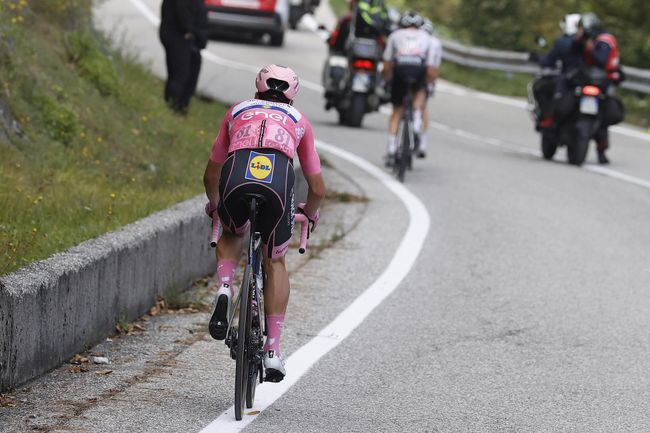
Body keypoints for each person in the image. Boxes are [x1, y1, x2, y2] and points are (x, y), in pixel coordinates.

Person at [203, 65, 325, 382]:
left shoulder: (238, 110)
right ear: (292, 95)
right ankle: (272, 351)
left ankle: (226, 287)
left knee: (232, 229)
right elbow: (318, 188)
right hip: (277, 180)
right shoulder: (299, 122)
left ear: (257, 86)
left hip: (236, 171)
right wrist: (309, 213)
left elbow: (211, 173)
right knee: (275, 261)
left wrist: (216, 206)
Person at [382, 11, 437, 164]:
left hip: (400, 69)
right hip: (418, 68)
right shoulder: (427, 38)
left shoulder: (395, 35)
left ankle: (392, 148)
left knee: (397, 111)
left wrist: (386, 81)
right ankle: (417, 122)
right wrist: (429, 84)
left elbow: (387, 63)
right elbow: (431, 67)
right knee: (420, 94)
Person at [580, 12, 625, 164]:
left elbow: (601, 60)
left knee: (604, 114)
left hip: (605, 81)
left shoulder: (604, 41)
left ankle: (602, 149)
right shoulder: (594, 39)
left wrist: (589, 48)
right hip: (593, 79)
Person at [532, 13, 584, 131]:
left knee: (540, 88)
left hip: (568, 78)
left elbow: (548, 61)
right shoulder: (591, 42)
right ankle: (602, 137)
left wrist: (538, 58)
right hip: (588, 79)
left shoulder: (562, 42)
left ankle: (548, 117)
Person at [159, 0, 207, 114]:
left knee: (188, 71)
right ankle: (174, 105)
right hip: (178, 35)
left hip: (186, 36)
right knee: (181, 74)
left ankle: (179, 105)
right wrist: (188, 29)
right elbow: (181, 7)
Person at [418, 18, 442, 158]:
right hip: (426, 76)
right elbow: (434, 67)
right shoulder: (435, 43)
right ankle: (422, 142)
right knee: (423, 106)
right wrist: (432, 84)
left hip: (409, 74)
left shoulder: (414, 39)